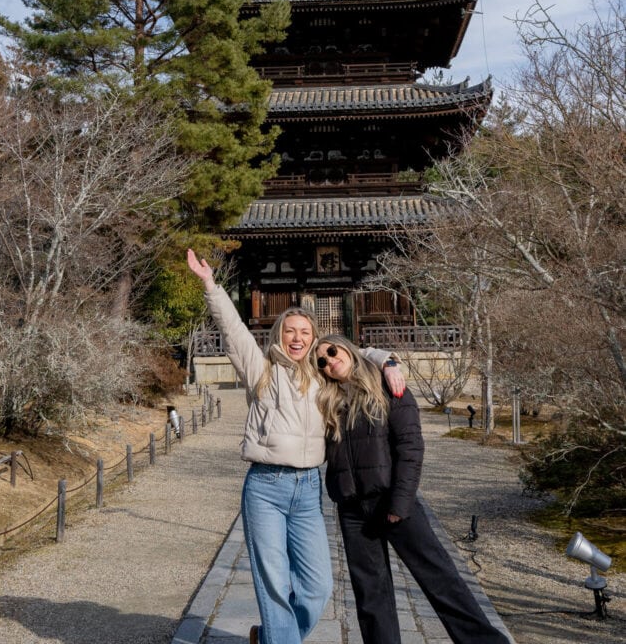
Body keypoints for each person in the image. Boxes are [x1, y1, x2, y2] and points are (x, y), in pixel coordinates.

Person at [186, 249, 404, 644]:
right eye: (291, 331)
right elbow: (233, 330)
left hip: (307, 490)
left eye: (306, 332)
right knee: (273, 587)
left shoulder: (324, 379)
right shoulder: (261, 369)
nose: (298, 338)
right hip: (265, 487)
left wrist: (387, 358)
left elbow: (353, 355)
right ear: (280, 335)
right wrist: (210, 286)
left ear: (314, 339)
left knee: (318, 587)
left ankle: (268, 637)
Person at [315, 333, 510, 644]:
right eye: (321, 361)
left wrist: (401, 503)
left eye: (333, 350)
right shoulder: (328, 401)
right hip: (352, 509)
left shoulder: (389, 386)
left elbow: (411, 447)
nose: (330, 361)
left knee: (440, 580)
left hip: (391, 500)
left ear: (348, 348)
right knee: (370, 596)